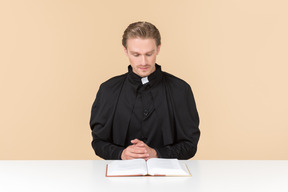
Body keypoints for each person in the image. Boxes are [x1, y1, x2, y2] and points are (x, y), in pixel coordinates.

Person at [90, 21, 200, 160]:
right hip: (120, 178)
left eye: (149, 54)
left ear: (158, 49)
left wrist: (157, 154)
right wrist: (121, 154)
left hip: (169, 178)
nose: (143, 62)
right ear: (125, 51)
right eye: (136, 55)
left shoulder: (180, 90)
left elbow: (190, 145)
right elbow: (98, 142)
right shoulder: (108, 90)